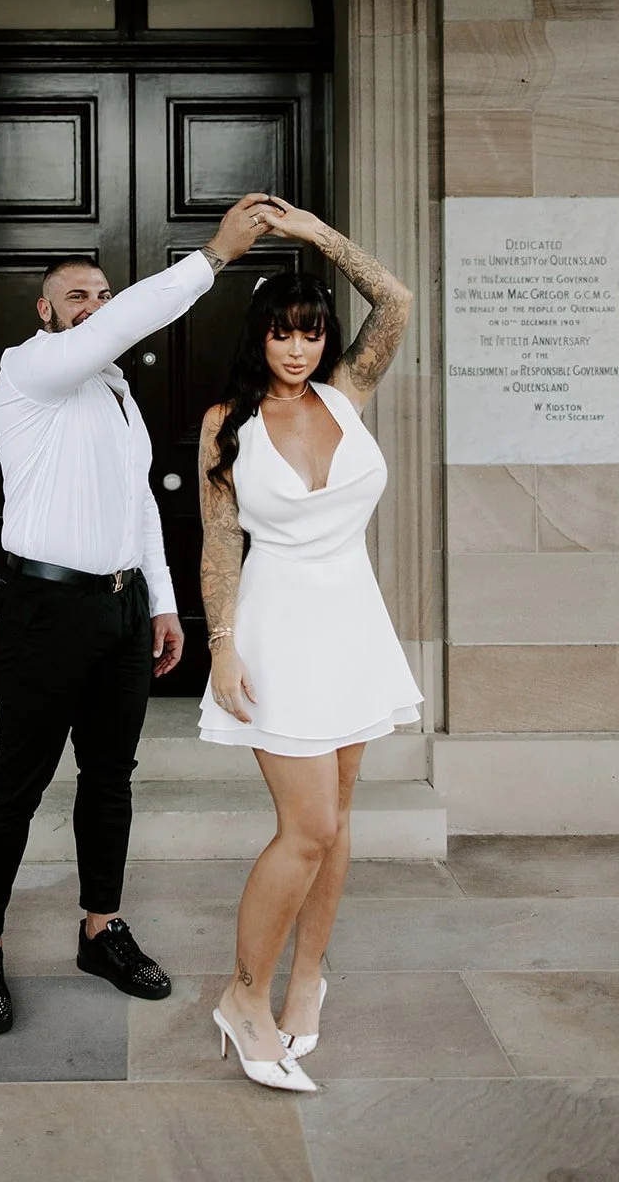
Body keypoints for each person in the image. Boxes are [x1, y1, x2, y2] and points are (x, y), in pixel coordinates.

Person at [0, 192, 275, 1035]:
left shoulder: (117, 394)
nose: (94, 307)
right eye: (77, 296)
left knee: (109, 779)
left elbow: (136, 505)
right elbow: (117, 328)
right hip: (45, 606)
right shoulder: (28, 369)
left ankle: (101, 929)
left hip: (121, 608)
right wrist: (213, 256)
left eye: (102, 293)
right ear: (45, 312)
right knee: (15, 787)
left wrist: (163, 605)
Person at [197, 197, 421, 1092]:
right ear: (259, 339)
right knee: (308, 826)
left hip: (354, 624)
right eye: (284, 335)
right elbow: (220, 543)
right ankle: (243, 995)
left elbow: (395, 300)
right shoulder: (229, 423)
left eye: (311, 332)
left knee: (338, 827)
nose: (299, 350)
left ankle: (307, 982)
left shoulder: (347, 391)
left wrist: (315, 236)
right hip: (277, 626)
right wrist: (220, 645)